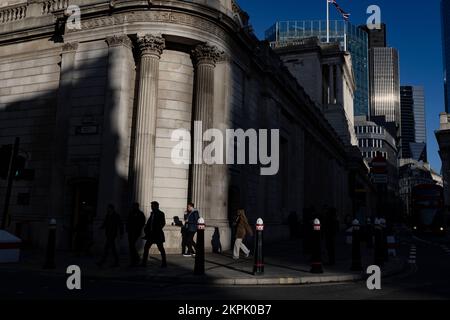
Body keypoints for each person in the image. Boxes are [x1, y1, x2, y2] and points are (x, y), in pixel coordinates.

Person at [141, 201, 167, 268]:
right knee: (146, 247)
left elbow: (163, 223)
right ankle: (144, 263)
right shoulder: (152, 214)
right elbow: (149, 223)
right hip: (151, 235)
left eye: (152, 206)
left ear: (156, 206)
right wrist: (146, 229)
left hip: (157, 234)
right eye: (151, 206)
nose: (151, 207)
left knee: (161, 248)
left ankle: (164, 262)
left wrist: (157, 229)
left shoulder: (161, 213)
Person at [126, 203, 146, 267]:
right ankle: (134, 258)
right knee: (131, 245)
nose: (134, 207)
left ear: (137, 206)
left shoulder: (140, 213)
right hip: (130, 231)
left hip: (136, 232)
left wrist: (138, 228)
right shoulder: (131, 212)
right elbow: (128, 221)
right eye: (133, 206)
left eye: (135, 206)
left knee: (132, 245)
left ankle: (135, 258)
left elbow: (142, 222)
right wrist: (127, 229)